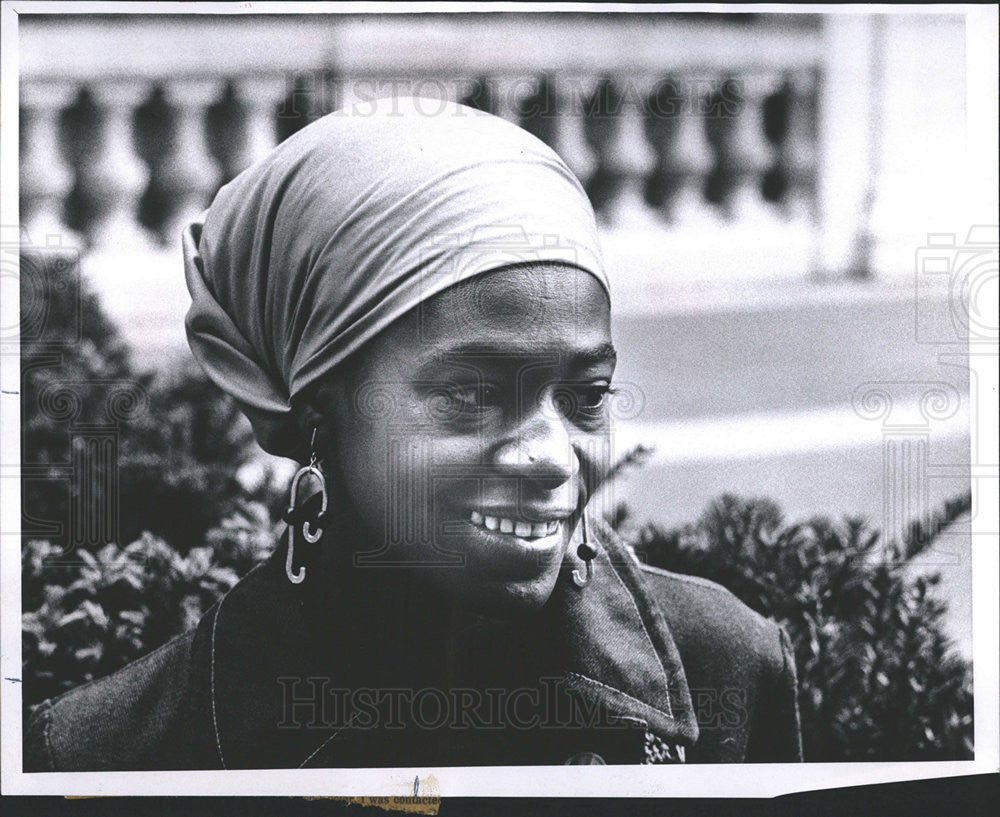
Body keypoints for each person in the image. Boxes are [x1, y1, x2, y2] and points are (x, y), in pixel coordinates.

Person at [24, 97, 801, 770]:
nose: (552, 457)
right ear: (317, 401)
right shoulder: (120, 749)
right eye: (472, 392)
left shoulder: (726, 667)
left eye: (587, 394)